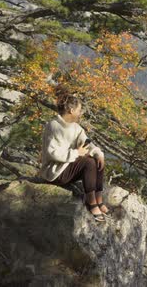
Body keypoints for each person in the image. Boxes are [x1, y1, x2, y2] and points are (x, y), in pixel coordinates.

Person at [39, 94, 110, 222]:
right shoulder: (53, 126)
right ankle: (91, 202)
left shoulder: (76, 128)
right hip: (55, 173)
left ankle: (98, 198)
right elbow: (52, 153)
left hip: (67, 168)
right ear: (71, 111)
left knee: (97, 159)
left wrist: (98, 153)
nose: (80, 113)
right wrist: (76, 153)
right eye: (79, 110)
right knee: (88, 163)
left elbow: (87, 143)